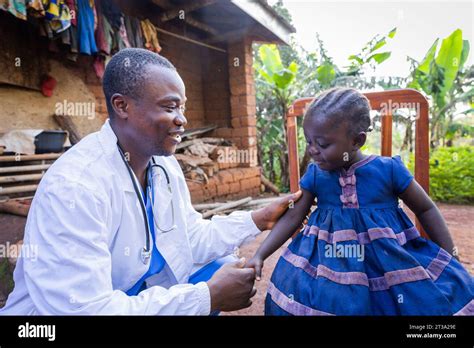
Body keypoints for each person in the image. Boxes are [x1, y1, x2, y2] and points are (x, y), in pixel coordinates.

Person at [0, 48, 301, 315]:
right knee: (210, 290)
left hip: (131, 292)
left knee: (222, 268)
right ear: (122, 106)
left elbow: (189, 238)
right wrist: (205, 297)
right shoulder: (76, 187)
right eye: (169, 107)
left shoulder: (163, 165)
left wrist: (257, 220)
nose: (182, 119)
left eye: (182, 107)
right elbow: (83, 310)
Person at [246, 87, 473, 315]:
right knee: (305, 294)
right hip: (327, 264)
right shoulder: (316, 175)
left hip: (389, 262)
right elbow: (293, 216)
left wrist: (449, 256)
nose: (313, 150)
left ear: (357, 141)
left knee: (421, 299)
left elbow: (426, 208)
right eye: (308, 142)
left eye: (323, 144)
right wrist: (260, 254)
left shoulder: (389, 170)